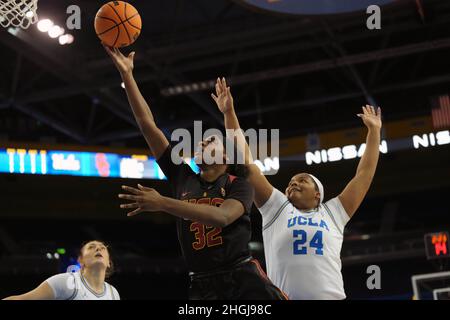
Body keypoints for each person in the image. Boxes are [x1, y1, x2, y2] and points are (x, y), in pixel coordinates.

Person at [105, 46, 288, 300]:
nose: (201, 143)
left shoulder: (240, 184)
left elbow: (222, 217)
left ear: (226, 156)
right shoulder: (183, 178)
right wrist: (127, 76)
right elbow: (148, 125)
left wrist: (163, 203)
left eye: (211, 141)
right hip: (201, 284)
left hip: (242, 279)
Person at [212, 77, 382, 300]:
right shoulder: (277, 207)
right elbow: (246, 163)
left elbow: (364, 174)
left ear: (318, 194)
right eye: (291, 181)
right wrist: (229, 114)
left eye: (302, 180)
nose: (293, 182)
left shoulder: (334, 213)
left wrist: (374, 131)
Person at [3, 240, 120, 300]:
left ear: (109, 263)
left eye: (103, 248)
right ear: (81, 260)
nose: (98, 248)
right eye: (91, 247)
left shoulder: (113, 293)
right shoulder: (67, 282)